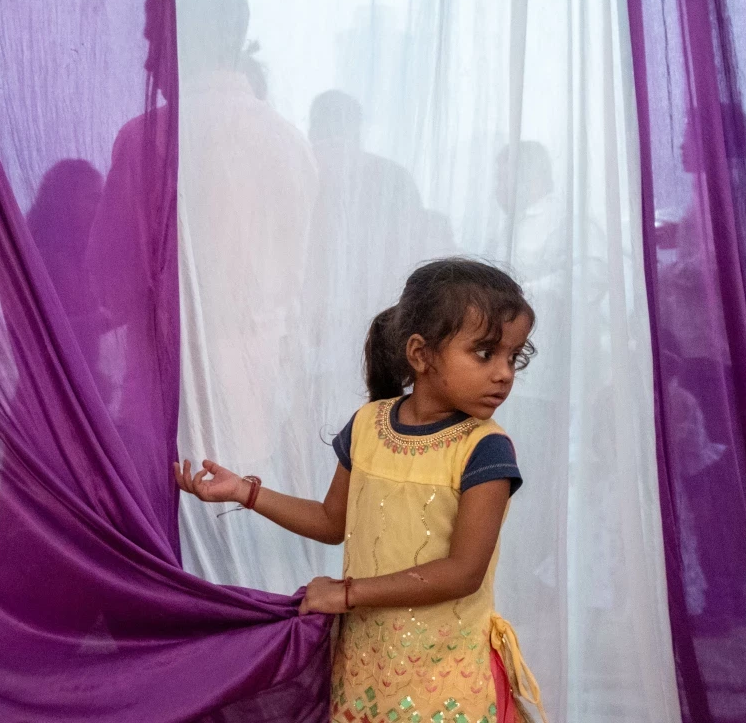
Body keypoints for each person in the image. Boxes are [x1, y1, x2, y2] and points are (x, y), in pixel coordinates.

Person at [176, 258, 547, 723]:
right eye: (485, 353)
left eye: (513, 357)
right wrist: (245, 493)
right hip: (365, 670)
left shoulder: (485, 449)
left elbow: (462, 573)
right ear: (421, 354)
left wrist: (348, 593)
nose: (504, 373)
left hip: (447, 680)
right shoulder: (368, 425)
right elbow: (332, 522)